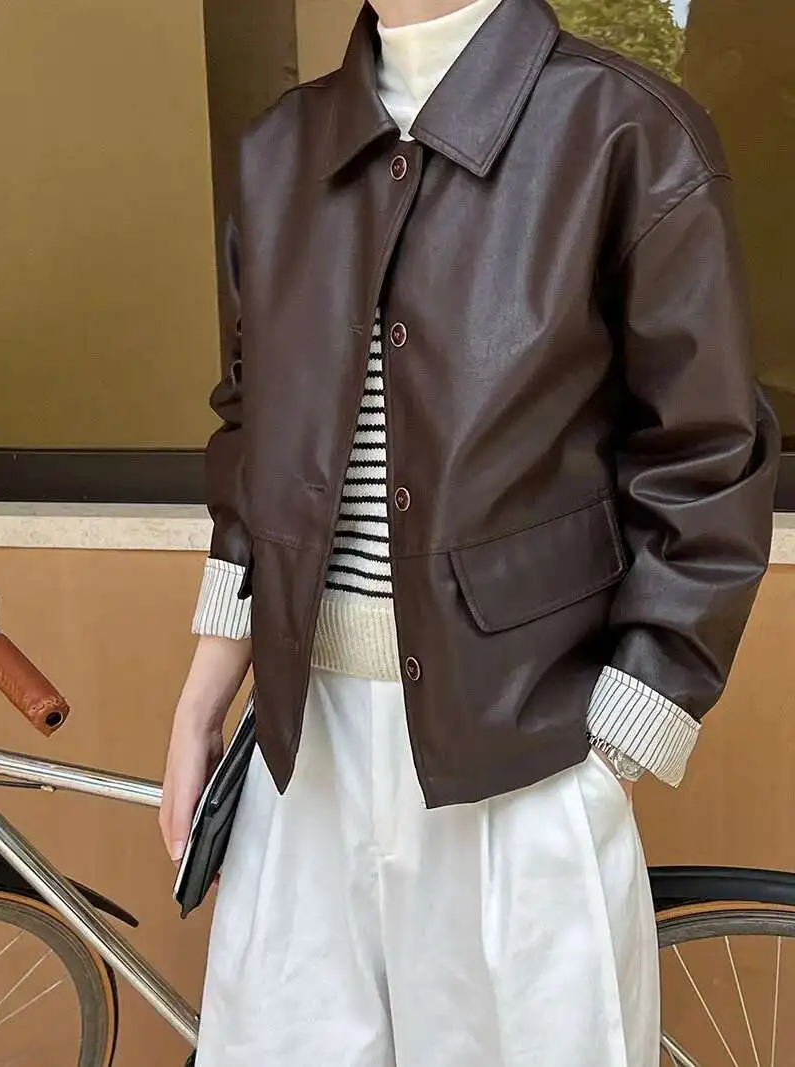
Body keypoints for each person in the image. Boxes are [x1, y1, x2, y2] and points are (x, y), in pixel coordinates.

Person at [160, 0, 780, 1063]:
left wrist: (614, 743)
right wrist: (205, 690)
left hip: (525, 751)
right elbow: (253, 431)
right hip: (302, 748)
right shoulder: (281, 149)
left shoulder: (624, 132)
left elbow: (705, 455)